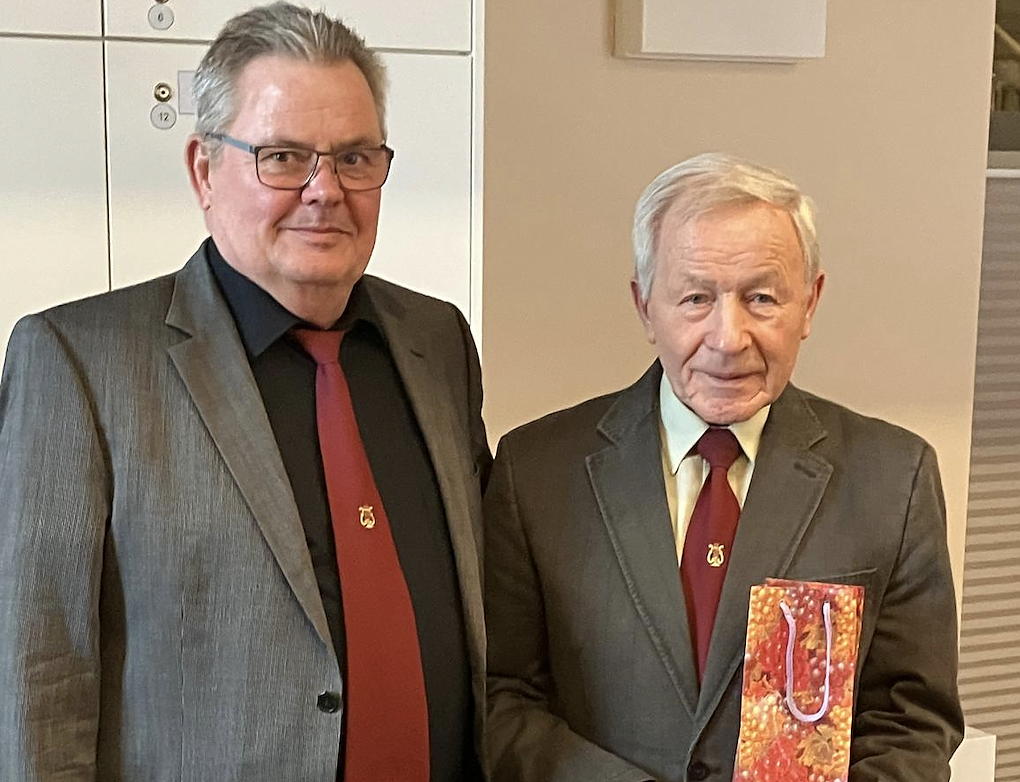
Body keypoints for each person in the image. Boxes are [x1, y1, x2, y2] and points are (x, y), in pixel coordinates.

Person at [0, 4, 489, 780]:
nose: (326, 191)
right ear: (205, 169)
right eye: (283, 157)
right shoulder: (80, 364)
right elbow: (40, 680)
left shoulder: (439, 343)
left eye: (355, 158)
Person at [483, 153, 963, 782]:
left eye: (761, 298)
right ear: (644, 306)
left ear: (809, 303)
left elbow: (911, 721)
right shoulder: (537, 472)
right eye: (695, 298)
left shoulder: (893, 479)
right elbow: (502, 699)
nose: (728, 338)